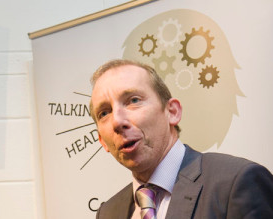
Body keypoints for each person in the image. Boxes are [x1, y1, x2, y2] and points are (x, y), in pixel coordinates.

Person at [90, 59, 273, 219]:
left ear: (172, 112)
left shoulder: (237, 183)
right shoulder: (108, 212)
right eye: (104, 113)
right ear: (102, 141)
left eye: (134, 100)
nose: (117, 121)